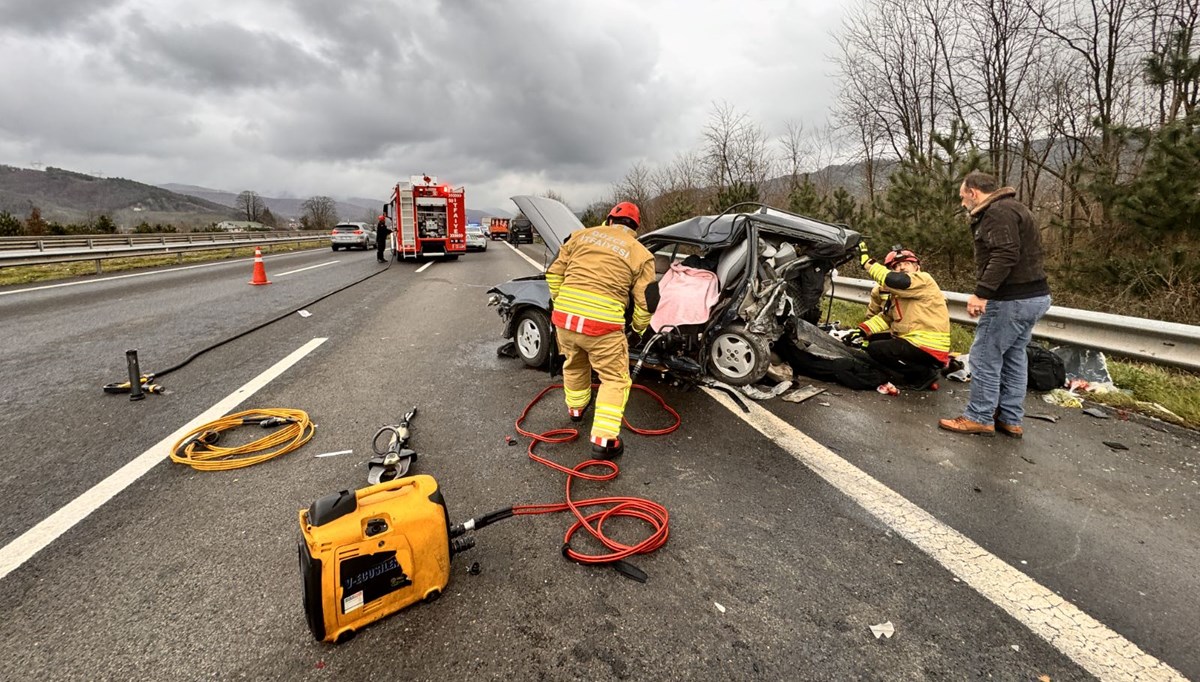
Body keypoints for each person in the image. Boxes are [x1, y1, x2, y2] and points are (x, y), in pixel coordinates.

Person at [939, 170, 1051, 438]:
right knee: (1014, 357)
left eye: (962, 196)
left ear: (973, 192)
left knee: (984, 356)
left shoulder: (996, 213)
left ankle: (979, 416)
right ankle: (1010, 419)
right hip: (1034, 295)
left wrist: (981, 293)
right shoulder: (1016, 208)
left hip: (1010, 299)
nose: (962, 202)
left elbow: (1005, 253)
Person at [545, 202, 655, 459]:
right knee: (614, 379)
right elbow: (646, 301)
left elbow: (553, 274)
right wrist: (637, 329)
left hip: (565, 320)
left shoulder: (580, 236)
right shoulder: (640, 253)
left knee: (574, 364)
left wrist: (562, 302)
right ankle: (604, 442)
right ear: (635, 227)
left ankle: (576, 409)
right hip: (603, 327)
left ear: (608, 220)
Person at [847, 243, 951, 389]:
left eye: (907, 263)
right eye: (897, 266)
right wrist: (862, 330)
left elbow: (897, 281)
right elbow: (887, 317)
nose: (902, 267)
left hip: (927, 345)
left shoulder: (923, 280)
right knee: (871, 340)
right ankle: (920, 370)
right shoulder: (898, 295)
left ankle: (922, 374)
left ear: (917, 267)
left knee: (876, 349)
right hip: (915, 342)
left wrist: (868, 264)